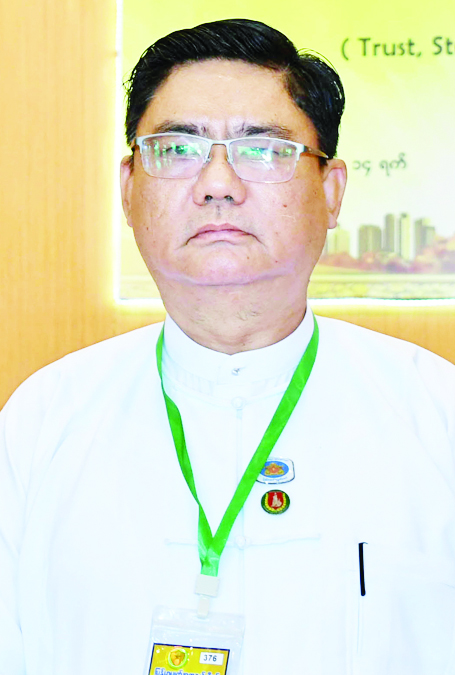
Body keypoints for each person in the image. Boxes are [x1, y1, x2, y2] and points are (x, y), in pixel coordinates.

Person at [1, 18, 455, 675]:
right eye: (177, 149)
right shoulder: (43, 421)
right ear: (128, 188)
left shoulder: (436, 414)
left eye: (262, 150)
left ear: (330, 192)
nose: (218, 183)